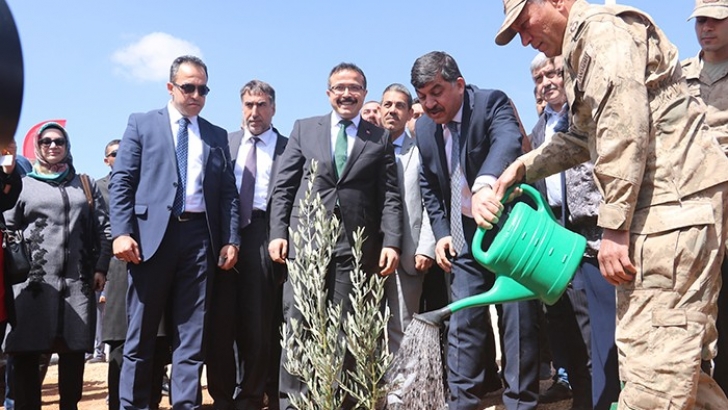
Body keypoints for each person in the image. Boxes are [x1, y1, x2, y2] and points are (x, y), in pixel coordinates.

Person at [493, 0, 728, 408]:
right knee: (678, 366)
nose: (526, 40)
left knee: (655, 371)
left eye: (525, 24)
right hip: (665, 211)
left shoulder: (602, 34)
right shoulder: (583, 46)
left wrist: (614, 226)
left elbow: (624, 125)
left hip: (671, 212)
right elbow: (585, 136)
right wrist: (524, 168)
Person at [268, 62, 401, 410]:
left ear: (364, 94)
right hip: (307, 243)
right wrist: (278, 232)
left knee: (348, 328)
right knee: (299, 324)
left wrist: (391, 241)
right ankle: (293, 404)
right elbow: (284, 188)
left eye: (354, 87)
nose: (346, 93)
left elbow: (389, 195)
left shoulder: (379, 138)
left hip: (355, 248)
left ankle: (342, 402)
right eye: (339, 87)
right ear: (328, 93)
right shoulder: (304, 129)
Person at [110, 55, 240, 410]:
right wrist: (121, 232)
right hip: (150, 240)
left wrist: (231, 239)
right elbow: (122, 182)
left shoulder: (215, 135)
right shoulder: (142, 124)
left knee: (191, 336)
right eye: (188, 87)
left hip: (200, 240)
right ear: (171, 87)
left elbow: (228, 193)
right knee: (140, 334)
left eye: (203, 89)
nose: (196, 95)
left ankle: (185, 405)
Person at [412, 51, 538, 410]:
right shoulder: (424, 129)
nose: (429, 104)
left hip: (508, 230)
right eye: (422, 96)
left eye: (436, 92)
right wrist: (442, 232)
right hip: (464, 237)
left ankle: (520, 403)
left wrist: (485, 184)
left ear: (459, 84)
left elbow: (507, 143)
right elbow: (429, 184)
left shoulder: (490, 103)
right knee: (463, 321)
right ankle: (461, 402)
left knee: (516, 319)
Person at [3, 121, 110, 409]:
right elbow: (8, 228)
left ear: (67, 146)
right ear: (37, 147)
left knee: (73, 356)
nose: (53, 146)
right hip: (32, 285)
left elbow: (104, 229)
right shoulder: (23, 185)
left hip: (77, 284)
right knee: (27, 357)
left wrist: (101, 267)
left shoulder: (84, 184)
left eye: (59, 141)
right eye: (46, 141)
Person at [205, 79, 288, 410]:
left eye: (261, 105)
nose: (255, 112)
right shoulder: (222, 143)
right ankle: (222, 397)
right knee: (220, 324)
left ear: (273, 108)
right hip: (223, 237)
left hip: (263, 236)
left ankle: (251, 397)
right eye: (249, 105)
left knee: (257, 324)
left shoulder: (288, 148)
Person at [97, 139, 169, 410]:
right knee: (120, 344)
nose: (122, 156)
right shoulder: (99, 188)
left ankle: (151, 402)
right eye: (115, 153)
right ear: (107, 159)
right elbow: (99, 234)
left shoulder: (152, 183)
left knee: (156, 342)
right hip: (117, 272)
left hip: (154, 267)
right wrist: (100, 271)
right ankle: (117, 403)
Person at [683, 0, 728, 395]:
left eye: (716, 20)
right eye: (700, 20)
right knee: (698, 312)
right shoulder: (678, 76)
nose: (706, 28)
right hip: (694, 211)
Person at [378, 83, 435, 355]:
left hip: (409, 254)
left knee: (403, 327)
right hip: (370, 252)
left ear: (410, 113)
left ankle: (403, 383)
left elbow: (431, 201)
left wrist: (426, 247)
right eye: (387, 104)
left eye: (400, 105)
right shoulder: (365, 148)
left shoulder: (421, 151)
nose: (392, 110)